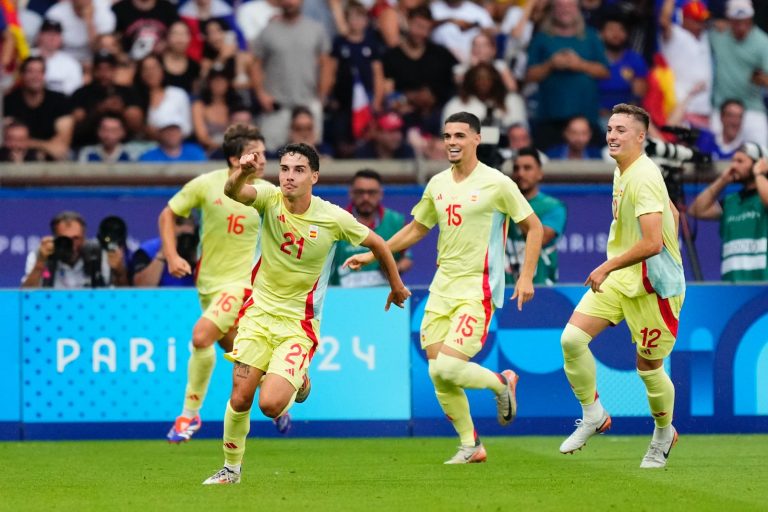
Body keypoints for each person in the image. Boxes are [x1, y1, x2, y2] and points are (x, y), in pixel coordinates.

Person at [202, 142, 410, 484]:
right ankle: (231, 469)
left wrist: (397, 284)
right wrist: (242, 170)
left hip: (298, 325)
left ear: (314, 176)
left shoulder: (333, 218)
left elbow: (378, 243)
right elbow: (232, 191)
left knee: (269, 406)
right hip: (258, 314)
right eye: (284, 169)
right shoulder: (269, 199)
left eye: (298, 170)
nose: (289, 177)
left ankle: (300, 379)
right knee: (240, 397)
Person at [345, 112, 543, 464]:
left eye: (460, 136)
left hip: (476, 290)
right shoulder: (437, 183)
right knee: (440, 373)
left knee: (445, 369)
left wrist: (525, 276)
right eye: (447, 135)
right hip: (441, 289)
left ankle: (502, 383)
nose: (451, 142)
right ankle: (471, 445)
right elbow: (417, 229)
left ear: (476, 139)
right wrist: (377, 253)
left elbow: (534, 227)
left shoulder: (497, 183)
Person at [558, 103, 685, 469]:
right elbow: (672, 214)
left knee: (648, 369)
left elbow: (652, 244)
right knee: (571, 339)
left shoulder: (642, 175)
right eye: (610, 129)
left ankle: (663, 433)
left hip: (653, 287)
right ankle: (593, 413)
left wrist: (606, 265)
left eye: (621, 130)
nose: (612, 135)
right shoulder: (623, 169)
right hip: (622, 277)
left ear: (641, 137)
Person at [162, 124, 287, 444]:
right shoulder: (207, 184)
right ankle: (277, 398)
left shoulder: (267, 193)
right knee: (238, 349)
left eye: (263, 154)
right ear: (235, 159)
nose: (262, 160)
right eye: (254, 153)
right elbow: (168, 214)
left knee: (201, 335)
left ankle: (188, 417)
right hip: (208, 286)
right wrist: (173, 255)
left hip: (242, 284)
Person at [688, 142, 768, 281]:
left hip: (763, 286)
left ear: (758, 163)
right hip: (732, 286)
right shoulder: (731, 201)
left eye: (740, 161)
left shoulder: (762, 198)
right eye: (733, 161)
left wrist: (759, 174)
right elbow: (696, 210)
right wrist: (723, 180)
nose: (733, 166)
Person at [331, 169, 413, 287]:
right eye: (360, 192)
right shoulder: (336, 221)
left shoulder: (396, 221)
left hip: (385, 295)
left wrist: (396, 267)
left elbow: (407, 258)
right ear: (351, 193)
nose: (366, 197)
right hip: (341, 296)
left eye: (372, 192)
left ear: (380, 194)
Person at [710, 0, 768, 146]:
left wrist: (762, 79)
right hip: (721, 108)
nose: (741, 26)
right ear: (729, 19)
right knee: (712, 154)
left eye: (745, 21)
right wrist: (712, 23)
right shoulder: (718, 35)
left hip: (751, 107)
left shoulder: (763, 42)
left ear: (751, 19)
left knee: (760, 154)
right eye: (737, 22)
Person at [21, 210, 130, 288]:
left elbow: (124, 299)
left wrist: (119, 271)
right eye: (65, 239)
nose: (72, 245)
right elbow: (25, 297)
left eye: (76, 238)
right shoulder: (40, 256)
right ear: (55, 238)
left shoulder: (101, 255)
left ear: (84, 237)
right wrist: (40, 264)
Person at [507, 147, 566, 286]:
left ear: (539, 173)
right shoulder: (501, 204)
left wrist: (515, 204)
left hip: (541, 286)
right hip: (506, 287)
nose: (520, 173)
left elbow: (540, 237)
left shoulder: (553, 206)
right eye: (516, 168)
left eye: (527, 168)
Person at [3, 55, 74, 161]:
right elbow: (9, 142)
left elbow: (61, 147)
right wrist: (44, 146)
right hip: (15, 157)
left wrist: (27, 143)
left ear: (44, 75)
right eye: (30, 72)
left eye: (39, 72)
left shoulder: (59, 100)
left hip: (51, 160)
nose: (35, 76)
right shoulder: (9, 101)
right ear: (22, 75)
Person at [133, 215, 197, 287]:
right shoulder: (147, 250)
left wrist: (198, 264)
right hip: (158, 297)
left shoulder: (198, 251)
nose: (185, 243)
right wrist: (163, 253)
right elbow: (140, 289)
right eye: (179, 223)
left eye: (189, 238)